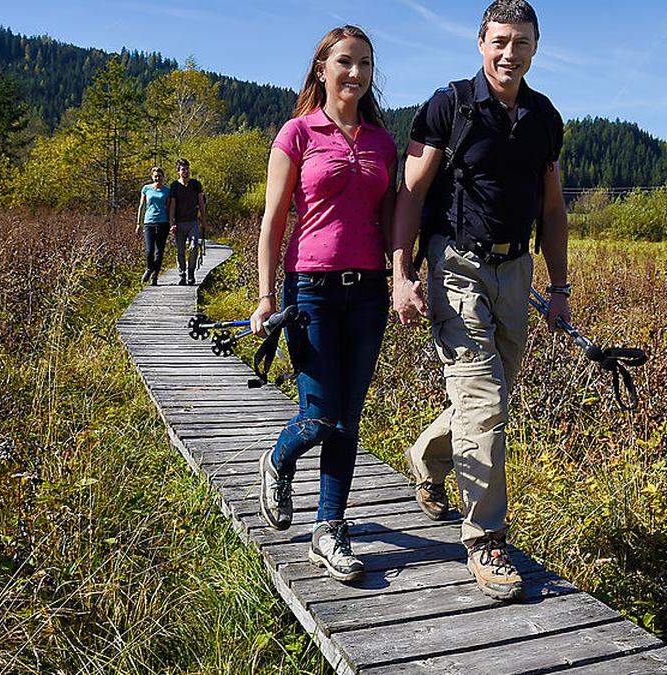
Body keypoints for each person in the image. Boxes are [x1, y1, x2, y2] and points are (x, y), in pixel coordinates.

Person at [391, 0, 572, 601]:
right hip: (456, 266)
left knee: (493, 398)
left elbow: (552, 209)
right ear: (480, 43)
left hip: (516, 269)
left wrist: (560, 287)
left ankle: (426, 457)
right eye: (499, 41)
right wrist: (401, 274)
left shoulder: (545, 118)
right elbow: (411, 196)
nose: (508, 53)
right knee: (485, 399)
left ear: (536, 48)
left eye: (521, 42)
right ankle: (485, 538)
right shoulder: (449, 107)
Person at [250, 25, 397, 582]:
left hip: (367, 291)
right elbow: (273, 222)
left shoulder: (383, 140)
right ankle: (278, 458)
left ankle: (328, 528)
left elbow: (391, 220)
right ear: (321, 69)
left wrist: (403, 275)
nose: (355, 73)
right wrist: (266, 296)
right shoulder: (297, 132)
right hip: (309, 287)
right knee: (321, 414)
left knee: (349, 418)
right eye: (344, 62)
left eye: (364, 63)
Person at [170, 158, 207, 285]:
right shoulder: (174, 186)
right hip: (179, 222)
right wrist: (171, 222)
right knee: (180, 250)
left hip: (193, 222)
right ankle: (182, 274)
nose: (185, 171)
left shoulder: (196, 184)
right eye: (182, 169)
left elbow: (201, 203)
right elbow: (172, 205)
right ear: (178, 171)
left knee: (193, 247)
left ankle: (191, 272)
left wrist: (204, 219)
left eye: (187, 169)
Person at [138, 166, 175, 286]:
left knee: (159, 251)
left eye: (159, 176)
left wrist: (171, 223)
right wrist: (139, 223)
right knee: (149, 251)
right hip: (149, 222)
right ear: (152, 177)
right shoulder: (146, 189)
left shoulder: (167, 190)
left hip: (163, 222)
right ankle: (149, 269)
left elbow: (169, 208)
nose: (157, 178)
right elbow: (142, 206)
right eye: (155, 176)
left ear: (163, 177)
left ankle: (155, 276)